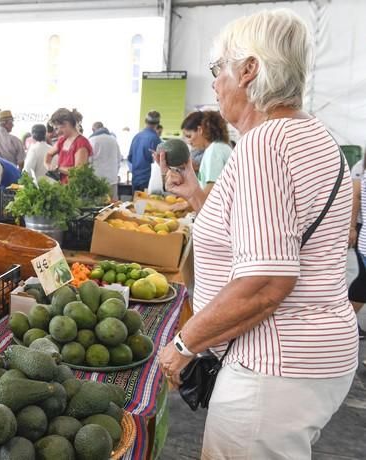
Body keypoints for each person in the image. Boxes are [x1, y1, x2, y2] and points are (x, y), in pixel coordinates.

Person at [156, 10, 357, 458]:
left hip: (273, 366)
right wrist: (193, 193)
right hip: (314, 360)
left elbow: (267, 281)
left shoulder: (265, 145)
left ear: (249, 70)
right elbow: (255, 236)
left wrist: (185, 344)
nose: (214, 83)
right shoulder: (314, 135)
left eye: (218, 70)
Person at [44, 108, 92, 184]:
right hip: (63, 186)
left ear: (66, 124)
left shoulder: (81, 143)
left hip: (76, 189)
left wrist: (58, 168)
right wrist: (47, 165)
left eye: (57, 128)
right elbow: (49, 154)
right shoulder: (62, 141)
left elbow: (78, 171)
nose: (57, 132)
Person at [127, 110, 161, 192]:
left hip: (135, 179)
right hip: (148, 180)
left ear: (145, 121)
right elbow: (158, 162)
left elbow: (130, 158)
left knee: (136, 203)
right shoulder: (155, 139)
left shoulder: (136, 137)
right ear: (158, 123)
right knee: (147, 204)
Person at [351, 154, 366, 339]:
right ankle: (347, 320)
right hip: (361, 231)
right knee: (363, 281)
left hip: (363, 237)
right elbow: (355, 197)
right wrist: (351, 227)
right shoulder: (359, 168)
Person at [89, 121, 121, 199]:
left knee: (98, 207)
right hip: (112, 180)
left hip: (97, 180)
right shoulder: (113, 140)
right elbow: (119, 159)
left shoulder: (92, 140)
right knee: (113, 207)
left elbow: (88, 161)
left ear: (93, 130)